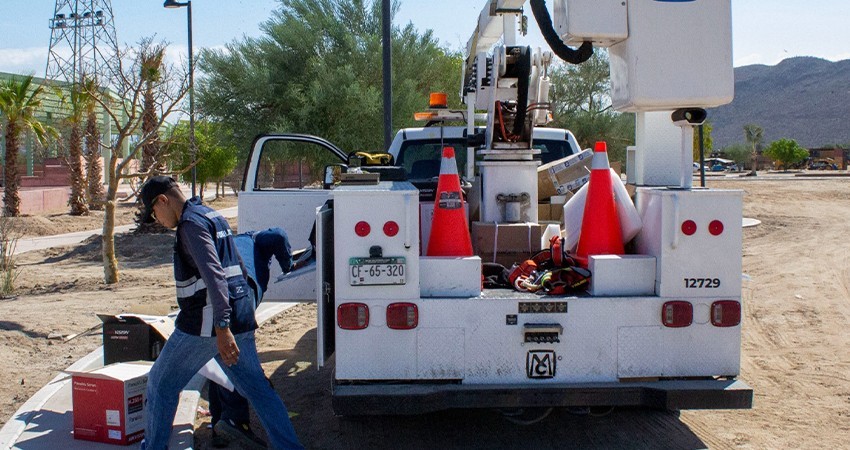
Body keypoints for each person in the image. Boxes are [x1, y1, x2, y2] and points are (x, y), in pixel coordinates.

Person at [138, 176, 303, 450]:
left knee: (160, 384)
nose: (157, 219)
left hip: (206, 327)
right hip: (238, 318)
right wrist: (236, 318)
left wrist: (222, 327)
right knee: (259, 390)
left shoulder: (190, 225)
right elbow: (237, 264)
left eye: (154, 213)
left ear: (163, 200)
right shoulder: (211, 214)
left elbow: (215, 276)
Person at [209, 227, 295, 449]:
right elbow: (278, 235)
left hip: (211, 303)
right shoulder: (254, 239)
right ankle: (237, 420)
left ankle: (221, 425)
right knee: (250, 376)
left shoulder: (224, 245)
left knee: (219, 361)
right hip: (239, 298)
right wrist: (288, 265)